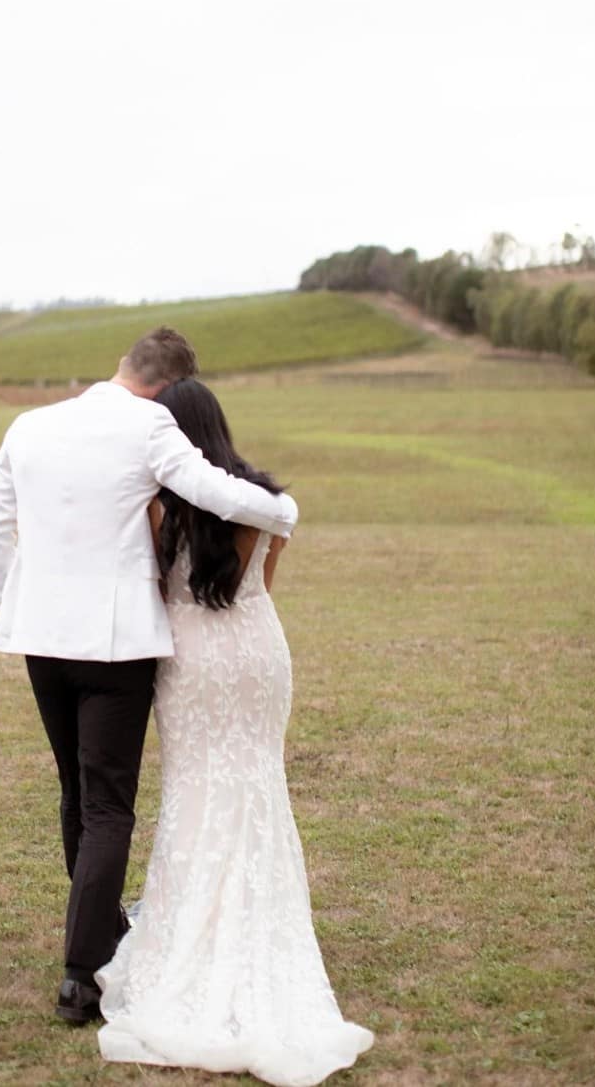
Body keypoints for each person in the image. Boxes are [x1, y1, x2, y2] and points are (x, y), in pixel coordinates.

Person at [0, 328, 298, 1024]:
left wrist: (13, 601)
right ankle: (82, 974)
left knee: (76, 790)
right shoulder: (149, 423)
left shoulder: (28, 425)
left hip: (40, 638)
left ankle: (100, 936)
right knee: (108, 804)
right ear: (165, 388)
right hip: (113, 645)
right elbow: (212, 489)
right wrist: (282, 510)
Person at [95, 378, 374, 1087]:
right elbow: (261, 585)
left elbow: (157, 588)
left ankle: (197, 935)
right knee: (257, 784)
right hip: (257, 651)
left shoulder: (161, 502)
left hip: (190, 658)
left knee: (194, 788)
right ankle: (257, 925)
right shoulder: (260, 500)